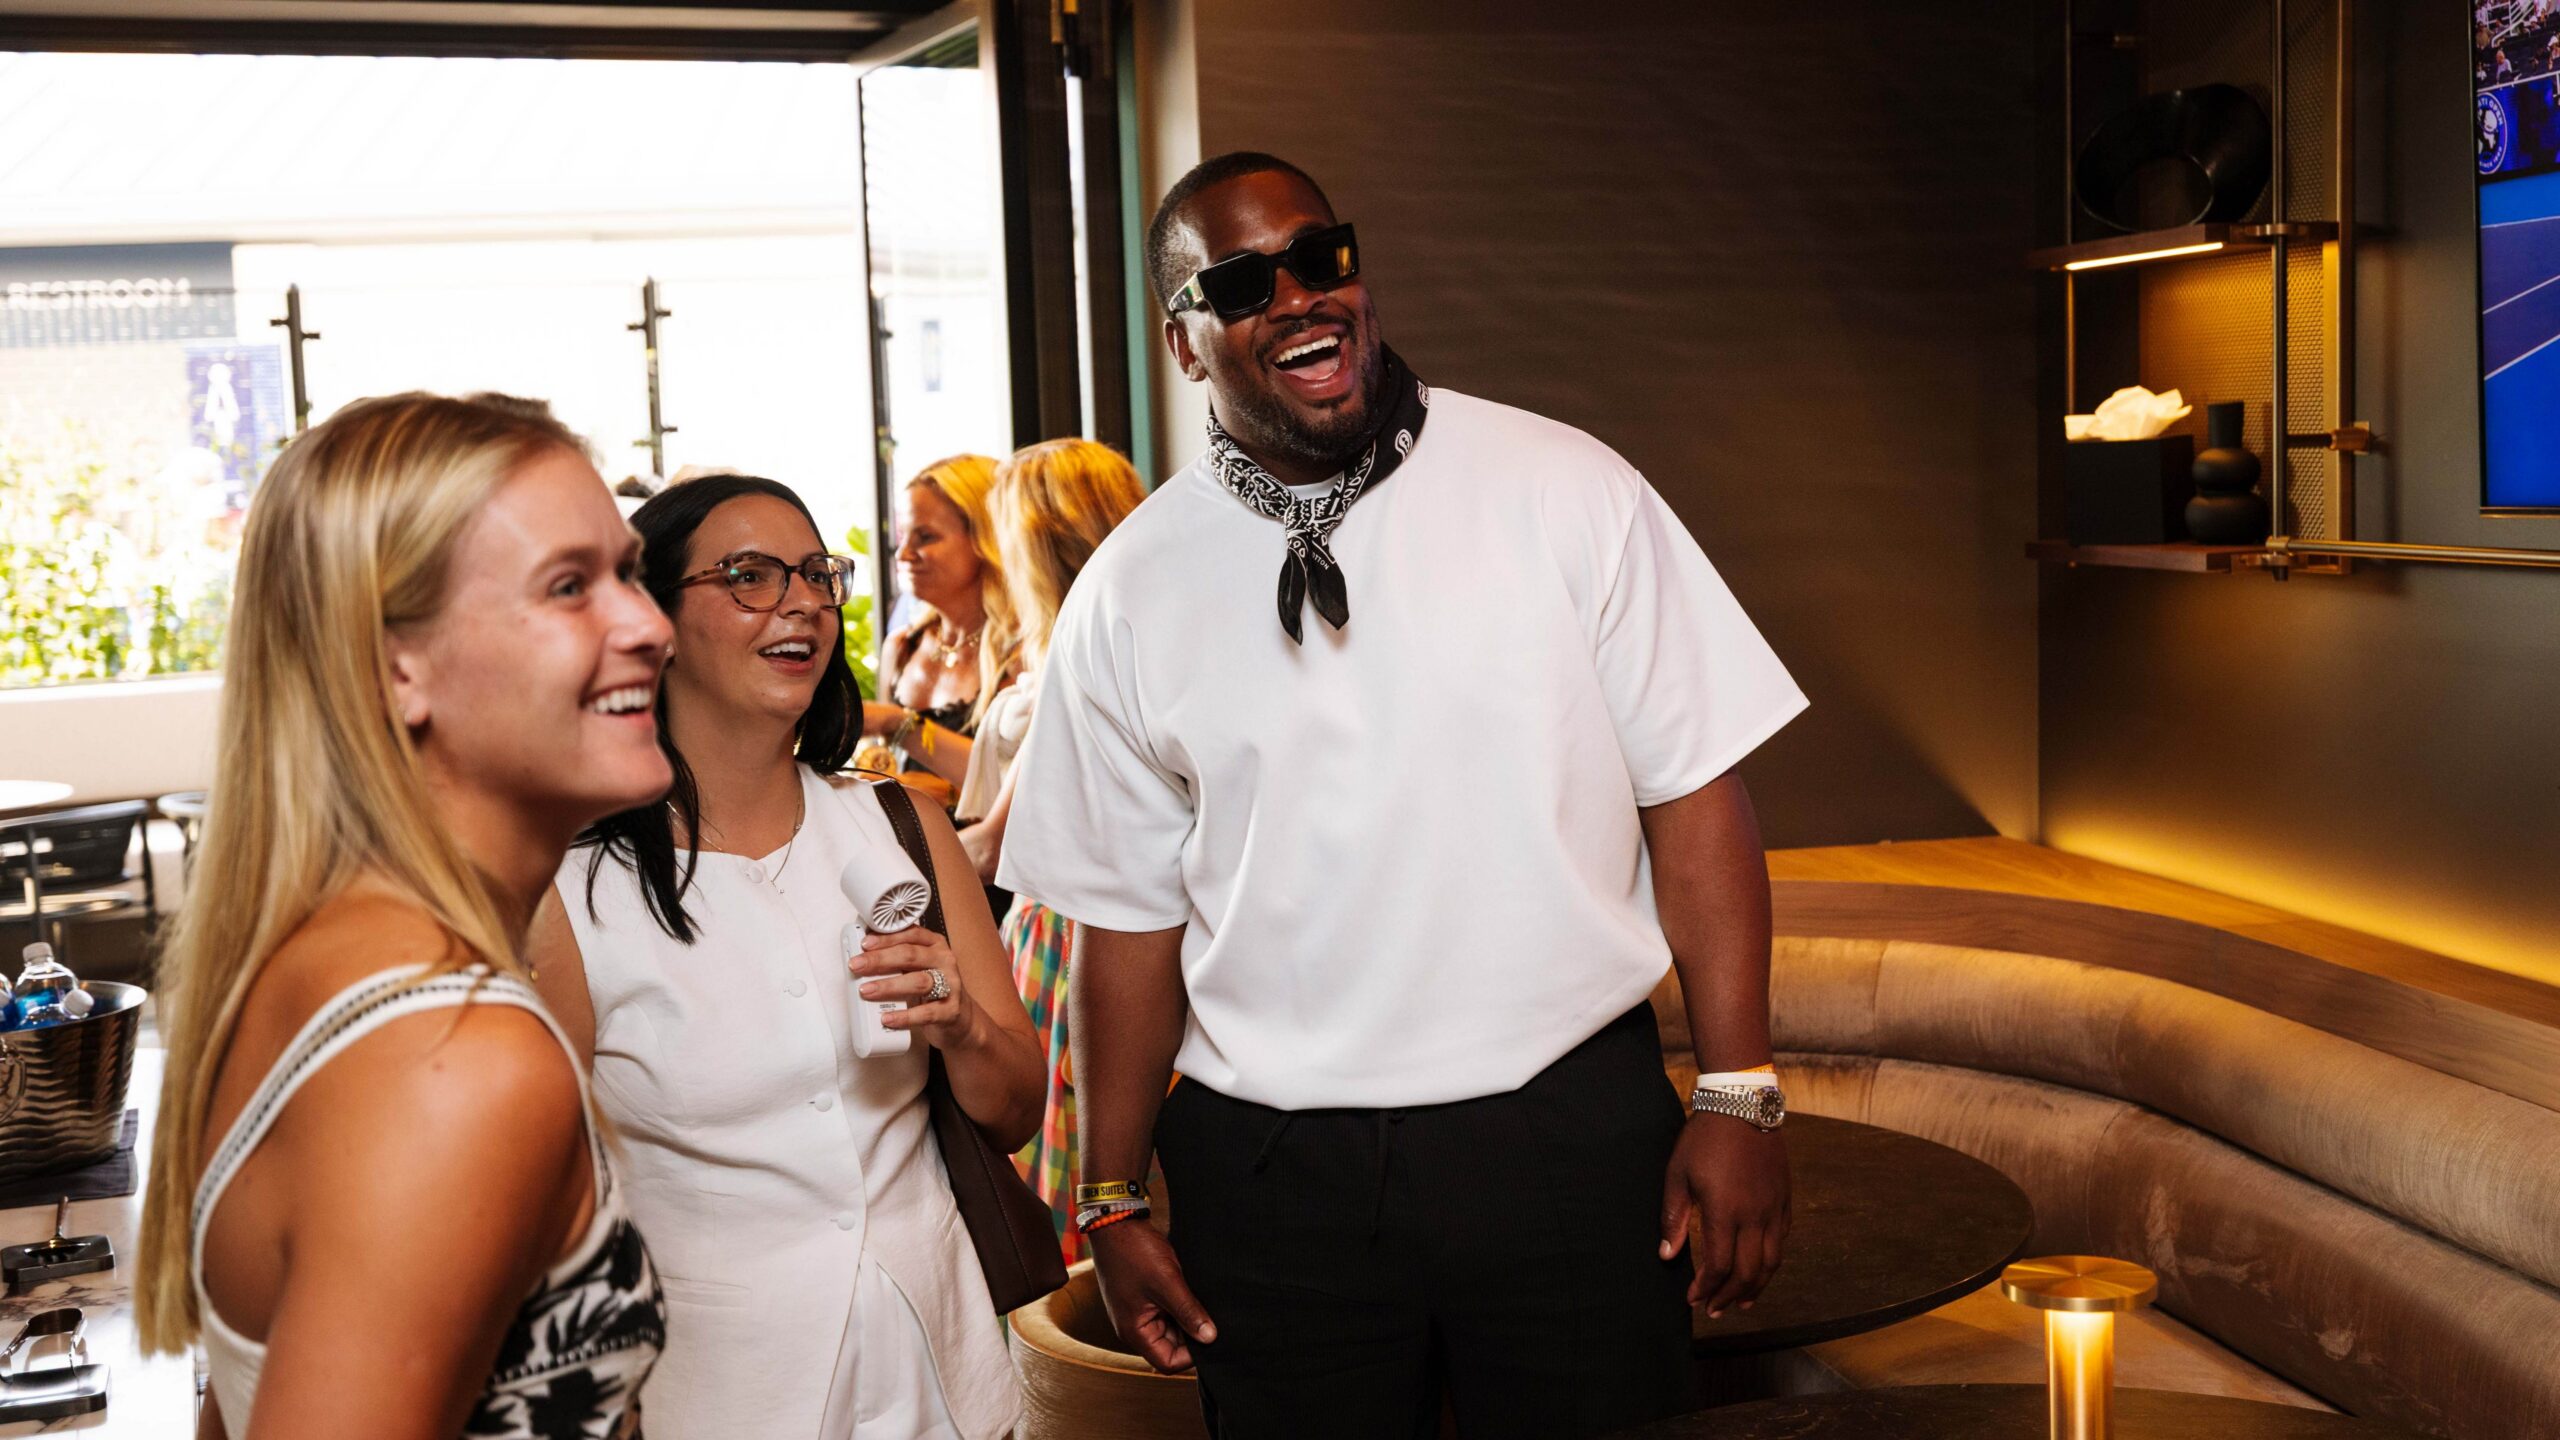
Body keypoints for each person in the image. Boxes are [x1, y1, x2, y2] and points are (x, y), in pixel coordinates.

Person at [998, 152, 1810, 1437]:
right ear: (1182, 338)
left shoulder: (1564, 486)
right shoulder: (1128, 590)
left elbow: (1695, 796)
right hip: (1268, 1179)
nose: (1302, 299)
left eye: (1323, 259)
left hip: (1565, 1138)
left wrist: (1738, 1088)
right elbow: (1126, 924)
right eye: (1244, 282)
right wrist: (1110, 1196)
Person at [134, 392, 670, 1439]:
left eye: (629, 572)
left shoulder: (321, 961)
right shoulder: (455, 1058)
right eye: (569, 587)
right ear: (395, 670)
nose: (648, 626)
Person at [530, 473, 1043, 1440]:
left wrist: (963, 1024)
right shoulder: (572, 892)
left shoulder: (903, 827)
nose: (801, 600)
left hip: (947, 1375)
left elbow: (1016, 1109)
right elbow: (548, 1205)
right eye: (750, 576)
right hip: (716, 1393)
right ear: (652, 620)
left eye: (814, 574)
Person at [958, 438, 1150, 1262]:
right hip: (1129, 929)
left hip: (1070, 936)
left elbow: (997, 845)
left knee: (1068, 1178)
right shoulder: (1133, 636)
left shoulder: (1077, 654)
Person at [864, 455, 1015, 803]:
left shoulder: (1022, 655)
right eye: (903, 537)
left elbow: (1030, 787)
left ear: (984, 539)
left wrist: (895, 723)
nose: (904, 554)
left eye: (925, 537)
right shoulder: (902, 647)